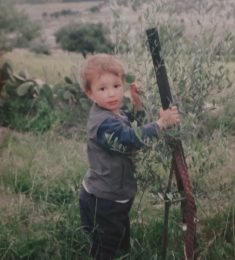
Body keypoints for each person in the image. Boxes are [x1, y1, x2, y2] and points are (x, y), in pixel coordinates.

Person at [79, 53, 181, 260]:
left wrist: (137, 103)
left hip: (115, 195)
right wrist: (161, 124)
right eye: (102, 88)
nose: (111, 94)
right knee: (106, 248)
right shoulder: (103, 123)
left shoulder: (115, 113)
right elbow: (130, 138)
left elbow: (132, 124)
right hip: (103, 200)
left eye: (116, 86)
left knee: (117, 239)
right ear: (90, 94)